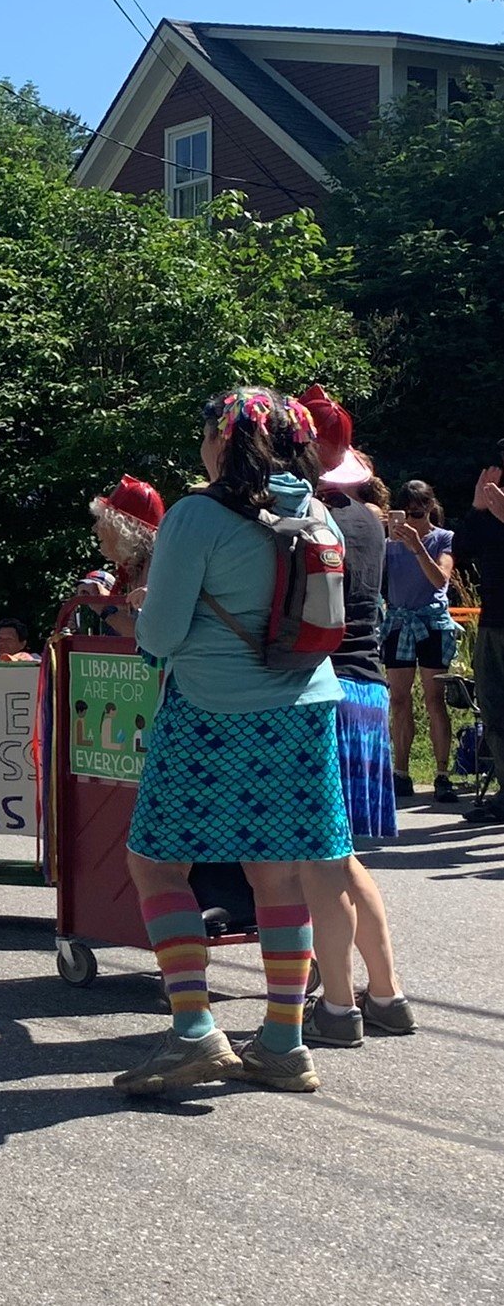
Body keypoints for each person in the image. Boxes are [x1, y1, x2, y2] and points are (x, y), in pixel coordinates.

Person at [114, 386, 348, 1096]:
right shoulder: (313, 513)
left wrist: (144, 609)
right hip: (305, 710)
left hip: (210, 713)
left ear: (225, 440)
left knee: (156, 862)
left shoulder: (195, 515)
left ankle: (192, 1029)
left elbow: (157, 638)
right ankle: (283, 1039)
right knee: (276, 873)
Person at [295, 394, 416, 1047]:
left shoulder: (310, 519)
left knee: (319, 861)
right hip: (367, 692)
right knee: (339, 857)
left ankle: (338, 1008)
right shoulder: (370, 516)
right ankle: (387, 994)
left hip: (323, 692)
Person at [381, 480, 459, 803]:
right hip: (399, 621)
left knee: (434, 698)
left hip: (432, 623)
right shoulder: (389, 543)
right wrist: (379, 530)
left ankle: (442, 773)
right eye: (406, 513)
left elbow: (440, 578)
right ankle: (401, 771)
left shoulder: (443, 539)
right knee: (398, 699)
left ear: (429, 508)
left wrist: (417, 546)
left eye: (418, 512)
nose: (412, 520)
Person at [456, 459, 504, 822]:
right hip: (492, 623)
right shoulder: (490, 508)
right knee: (492, 706)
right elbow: (460, 550)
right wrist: (476, 507)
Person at [81, 476, 166, 637]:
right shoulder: (137, 564)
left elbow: (147, 637)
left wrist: (104, 606)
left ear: (123, 528)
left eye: (103, 521)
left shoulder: (156, 565)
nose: (95, 528)